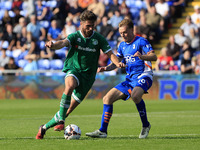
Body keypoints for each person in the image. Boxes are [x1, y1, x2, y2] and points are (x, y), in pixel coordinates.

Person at [35, 10, 125, 139]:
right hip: (74, 69)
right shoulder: (75, 36)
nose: (90, 28)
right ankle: (61, 121)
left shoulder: (98, 39)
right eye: (88, 25)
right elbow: (62, 43)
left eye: (92, 26)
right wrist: (53, 44)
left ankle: (43, 127)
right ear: (81, 24)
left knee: (68, 110)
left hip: (88, 77)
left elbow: (111, 54)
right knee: (70, 85)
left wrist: (118, 63)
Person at [86, 18, 157, 139]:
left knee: (135, 95)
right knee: (107, 98)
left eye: (125, 32)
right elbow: (117, 63)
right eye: (121, 33)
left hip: (144, 75)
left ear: (131, 29)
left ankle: (146, 125)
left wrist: (142, 56)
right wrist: (106, 68)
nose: (123, 35)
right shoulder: (122, 46)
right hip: (130, 79)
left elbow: (154, 57)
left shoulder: (141, 41)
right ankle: (103, 131)